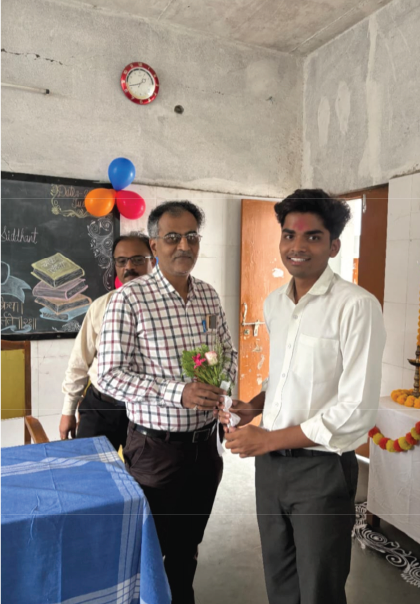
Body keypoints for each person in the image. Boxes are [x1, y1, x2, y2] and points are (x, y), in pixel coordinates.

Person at [220, 189, 386, 604]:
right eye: (289, 235)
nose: (297, 246)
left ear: (334, 246)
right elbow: (284, 377)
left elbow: (356, 409)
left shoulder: (356, 306)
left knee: (319, 588)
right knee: (279, 579)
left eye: (313, 237)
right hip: (270, 469)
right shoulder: (275, 303)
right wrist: (253, 407)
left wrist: (267, 439)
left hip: (321, 470)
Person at [97, 201, 238, 604]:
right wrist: (177, 391)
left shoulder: (208, 295)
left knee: (186, 547)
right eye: (173, 237)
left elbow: (228, 353)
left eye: (192, 236)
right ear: (155, 245)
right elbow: (108, 375)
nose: (184, 246)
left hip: (205, 448)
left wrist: (220, 387)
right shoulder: (130, 299)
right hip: (155, 451)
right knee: (146, 549)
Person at [59, 233, 155, 450]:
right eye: (121, 261)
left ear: (154, 261)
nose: (129, 267)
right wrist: (68, 411)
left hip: (147, 411)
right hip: (102, 407)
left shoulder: (166, 311)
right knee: (89, 467)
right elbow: (79, 361)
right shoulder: (101, 306)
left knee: (140, 470)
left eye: (138, 259)